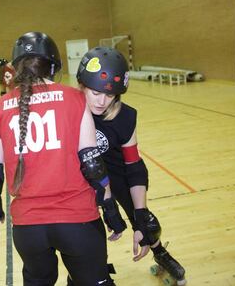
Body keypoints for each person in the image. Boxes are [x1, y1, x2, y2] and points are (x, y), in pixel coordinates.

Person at [0, 32, 126, 286]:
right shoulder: (75, 98)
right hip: (78, 221)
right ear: (54, 66)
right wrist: (110, 209)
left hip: (28, 228)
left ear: (15, 68)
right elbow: (93, 165)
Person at [77, 47, 186, 284]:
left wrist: (140, 214)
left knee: (146, 221)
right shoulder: (70, 109)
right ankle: (93, 272)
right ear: (82, 85)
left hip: (117, 173)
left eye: (110, 95)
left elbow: (134, 165)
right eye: (95, 92)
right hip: (82, 175)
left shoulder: (124, 117)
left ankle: (161, 253)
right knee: (88, 229)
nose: (102, 101)